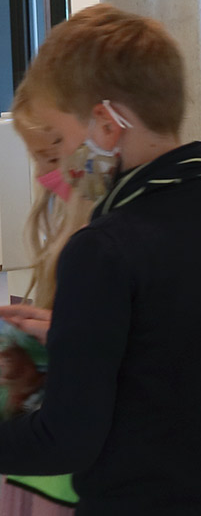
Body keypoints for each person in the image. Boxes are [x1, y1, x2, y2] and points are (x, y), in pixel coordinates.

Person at [0, 4, 201, 515]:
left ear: (105, 125)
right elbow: (168, 373)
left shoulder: (102, 251)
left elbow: (68, 439)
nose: (59, 165)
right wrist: (72, 335)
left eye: (62, 137)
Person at [0, 87, 92, 515]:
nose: (42, 174)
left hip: (65, 473)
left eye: (51, 159)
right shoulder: (59, 213)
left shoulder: (102, 236)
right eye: (35, 158)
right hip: (39, 456)